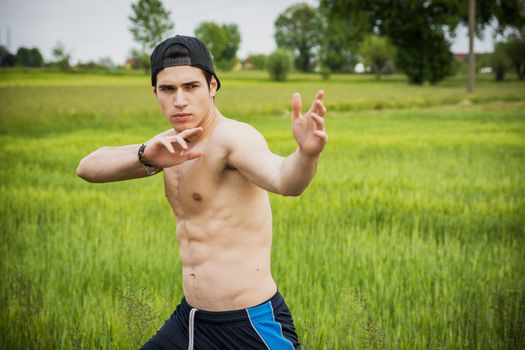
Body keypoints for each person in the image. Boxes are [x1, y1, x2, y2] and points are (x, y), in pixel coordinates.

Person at [77, 35, 327, 350]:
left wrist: (306, 155)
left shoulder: (232, 138)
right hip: (190, 321)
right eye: (167, 89)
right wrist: (147, 155)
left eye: (191, 86)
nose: (179, 100)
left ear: (212, 86)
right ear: (155, 93)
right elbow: (86, 167)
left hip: (247, 324)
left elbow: (284, 180)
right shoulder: (167, 144)